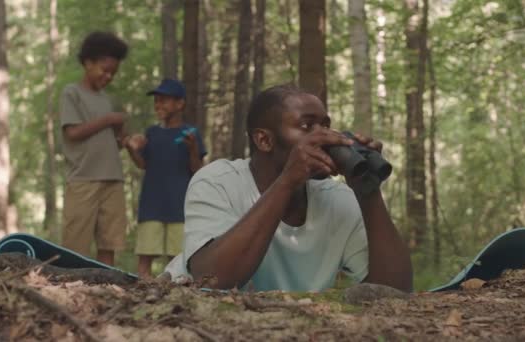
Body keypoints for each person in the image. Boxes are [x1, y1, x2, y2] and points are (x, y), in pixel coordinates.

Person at [167, 84, 412, 292]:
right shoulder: (217, 181)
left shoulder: (337, 199)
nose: (324, 135)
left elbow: (395, 290)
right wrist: (288, 181)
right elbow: (211, 280)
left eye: (325, 125)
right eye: (307, 126)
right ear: (264, 140)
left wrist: (368, 192)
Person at [59, 31, 129, 266]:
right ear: (88, 62)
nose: (108, 76)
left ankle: (106, 283)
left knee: (109, 242)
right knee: (75, 242)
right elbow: (73, 132)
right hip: (83, 179)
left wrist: (124, 139)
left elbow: (109, 143)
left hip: (113, 178)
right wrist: (109, 120)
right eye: (104, 69)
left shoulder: (106, 99)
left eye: (114, 73)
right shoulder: (72, 93)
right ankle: (68, 283)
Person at [125, 79, 207, 278]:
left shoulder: (190, 133)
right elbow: (143, 164)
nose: (158, 105)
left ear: (180, 104)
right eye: (156, 101)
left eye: (164, 101)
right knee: (145, 257)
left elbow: (197, 170)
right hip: (151, 205)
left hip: (179, 206)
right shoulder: (152, 133)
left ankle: (176, 296)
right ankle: (143, 292)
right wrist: (131, 149)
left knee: (177, 257)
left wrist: (193, 149)